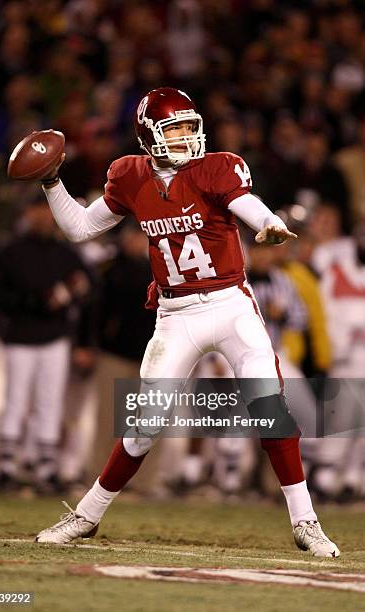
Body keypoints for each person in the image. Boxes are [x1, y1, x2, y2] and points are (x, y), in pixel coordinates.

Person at [33, 87, 339, 557]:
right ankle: (87, 515)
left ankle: (306, 521)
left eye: (189, 126)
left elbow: (246, 202)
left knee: (269, 406)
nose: (185, 135)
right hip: (175, 314)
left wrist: (269, 221)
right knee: (144, 426)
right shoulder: (129, 174)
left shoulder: (216, 167)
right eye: (173, 128)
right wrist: (52, 181)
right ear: (148, 135)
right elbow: (80, 228)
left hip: (229, 303)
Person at [0, 194, 92, 495]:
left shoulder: (65, 252)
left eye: (48, 212)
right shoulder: (11, 250)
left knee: (50, 401)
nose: (44, 217)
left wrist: (68, 294)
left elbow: (88, 285)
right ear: (28, 213)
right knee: (16, 400)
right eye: (38, 211)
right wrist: (31, 302)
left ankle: (46, 467)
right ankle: (7, 466)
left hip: (55, 337)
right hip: (19, 335)